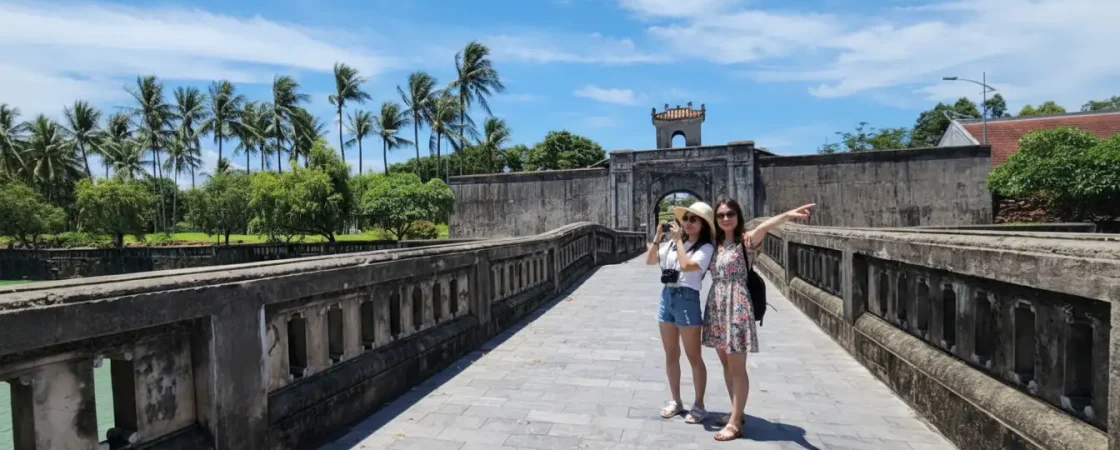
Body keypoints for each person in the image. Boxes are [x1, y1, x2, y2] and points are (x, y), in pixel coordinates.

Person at [702, 200, 814, 441]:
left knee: (737, 366)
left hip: (737, 307)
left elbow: (766, 226)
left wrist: (787, 214)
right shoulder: (716, 244)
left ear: (738, 216)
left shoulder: (747, 241)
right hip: (717, 306)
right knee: (726, 364)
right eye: (720, 215)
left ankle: (735, 422)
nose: (725, 219)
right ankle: (737, 413)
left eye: (730, 214)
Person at [644, 201, 716, 424]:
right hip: (667, 296)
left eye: (694, 219)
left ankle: (699, 405)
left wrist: (678, 241)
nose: (688, 223)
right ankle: (676, 401)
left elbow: (687, 266)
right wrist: (658, 237)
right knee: (671, 353)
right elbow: (650, 260)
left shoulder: (706, 248)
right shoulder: (674, 244)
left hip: (687, 299)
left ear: (703, 224)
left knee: (694, 356)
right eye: (685, 219)